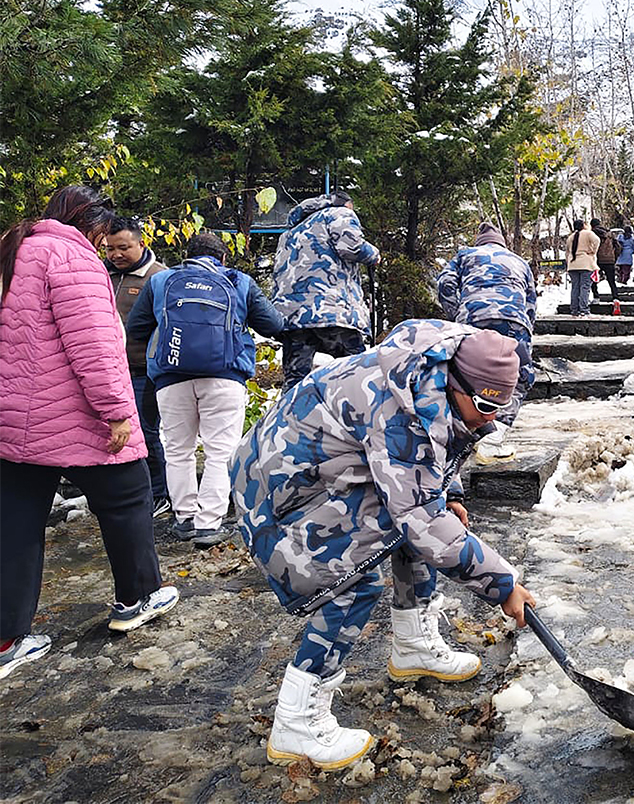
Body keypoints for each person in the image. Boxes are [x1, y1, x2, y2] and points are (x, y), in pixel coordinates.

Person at [231, 322, 536, 771]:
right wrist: (503, 585)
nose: (491, 417)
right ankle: (297, 722)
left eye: (501, 405)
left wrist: (450, 492)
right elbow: (420, 516)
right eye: (486, 404)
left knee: (422, 523)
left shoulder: (432, 374)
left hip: (325, 472)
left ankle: (413, 645)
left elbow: (434, 459)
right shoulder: (403, 410)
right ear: (457, 383)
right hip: (278, 495)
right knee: (354, 581)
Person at [0, 185, 179, 680]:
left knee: (14, 523)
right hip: (76, 414)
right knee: (127, 499)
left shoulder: (12, 247)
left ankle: (7, 637)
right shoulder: (70, 256)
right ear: (92, 224)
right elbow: (95, 343)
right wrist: (117, 410)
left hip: (13, 417)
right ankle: (136, 597)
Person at [127, 232, 285, 548]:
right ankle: (208, 524)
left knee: (177, 449)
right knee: (220, 452)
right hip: (225, 378)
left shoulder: (161, 282)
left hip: (171, 377)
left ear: (188, 254)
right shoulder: (239, 281)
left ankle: (184, 518)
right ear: (222, 258)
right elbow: (274, 325)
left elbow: (135, 329)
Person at [437, 222, 536, 461]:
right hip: (514, 321)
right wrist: (526, 328)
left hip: (473, 319)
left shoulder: (466, 255)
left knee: (464, 375)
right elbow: (531, 301)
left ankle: (465, 428)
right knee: (521, 375)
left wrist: (456, 313)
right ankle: (497, 428)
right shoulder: (519, 262)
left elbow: (444, 284)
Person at [271, 192, 380, 389]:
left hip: (293, 318)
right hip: (331, 311)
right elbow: (352, 247)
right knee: (356, 375)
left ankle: (291, 417)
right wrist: (374, 255)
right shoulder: (339, 213)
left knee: (295, 381)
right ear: (347, 204)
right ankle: (353, 417)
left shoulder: (289, 233)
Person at [105, 215, 171, 519]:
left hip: (144, 371)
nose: (116, 255)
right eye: (109, 249)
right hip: (107, 372)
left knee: (147, 433)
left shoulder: (159, 277)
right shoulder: (100, 274)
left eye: (123, 247)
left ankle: (160, 494)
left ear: (141, 243)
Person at [564, 218, 599, 317]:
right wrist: (593, 251)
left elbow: (567, 252)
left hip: (572, 264)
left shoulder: (570, 237)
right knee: (585, 287)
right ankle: (584, 309)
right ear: (583, 225)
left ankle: (574, 309)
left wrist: (568, 262)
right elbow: (597, 240)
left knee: (575, 287)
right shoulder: (588, 233)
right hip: (585, 263)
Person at [592, 218, 619, 300]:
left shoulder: (592, 234)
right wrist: (614, 257)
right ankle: (615, 297)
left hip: (597, 260)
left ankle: (596, 297)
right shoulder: (610, 234)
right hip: (609, 260)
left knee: (594, 280)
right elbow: (618, 247)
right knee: (611, 281)